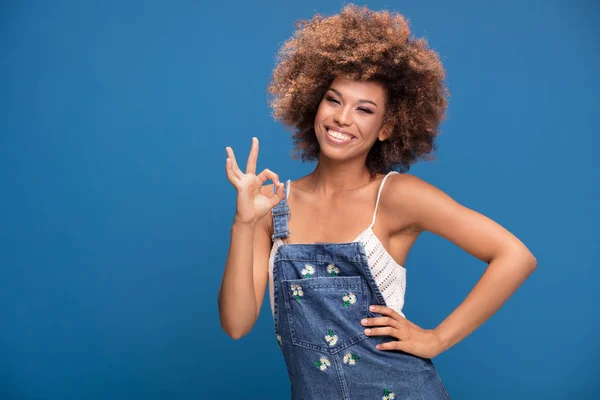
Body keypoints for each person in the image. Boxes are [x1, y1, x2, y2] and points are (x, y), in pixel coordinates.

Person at [218, 4, 537, 399]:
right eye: (334, 101)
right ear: (314, 104)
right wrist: (243, 223)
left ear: (386, 127)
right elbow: (236, 325)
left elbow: (515, 255)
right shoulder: (275, 206)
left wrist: (436, 339)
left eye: (364, 109)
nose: (342, 118)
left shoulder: (396, 196)